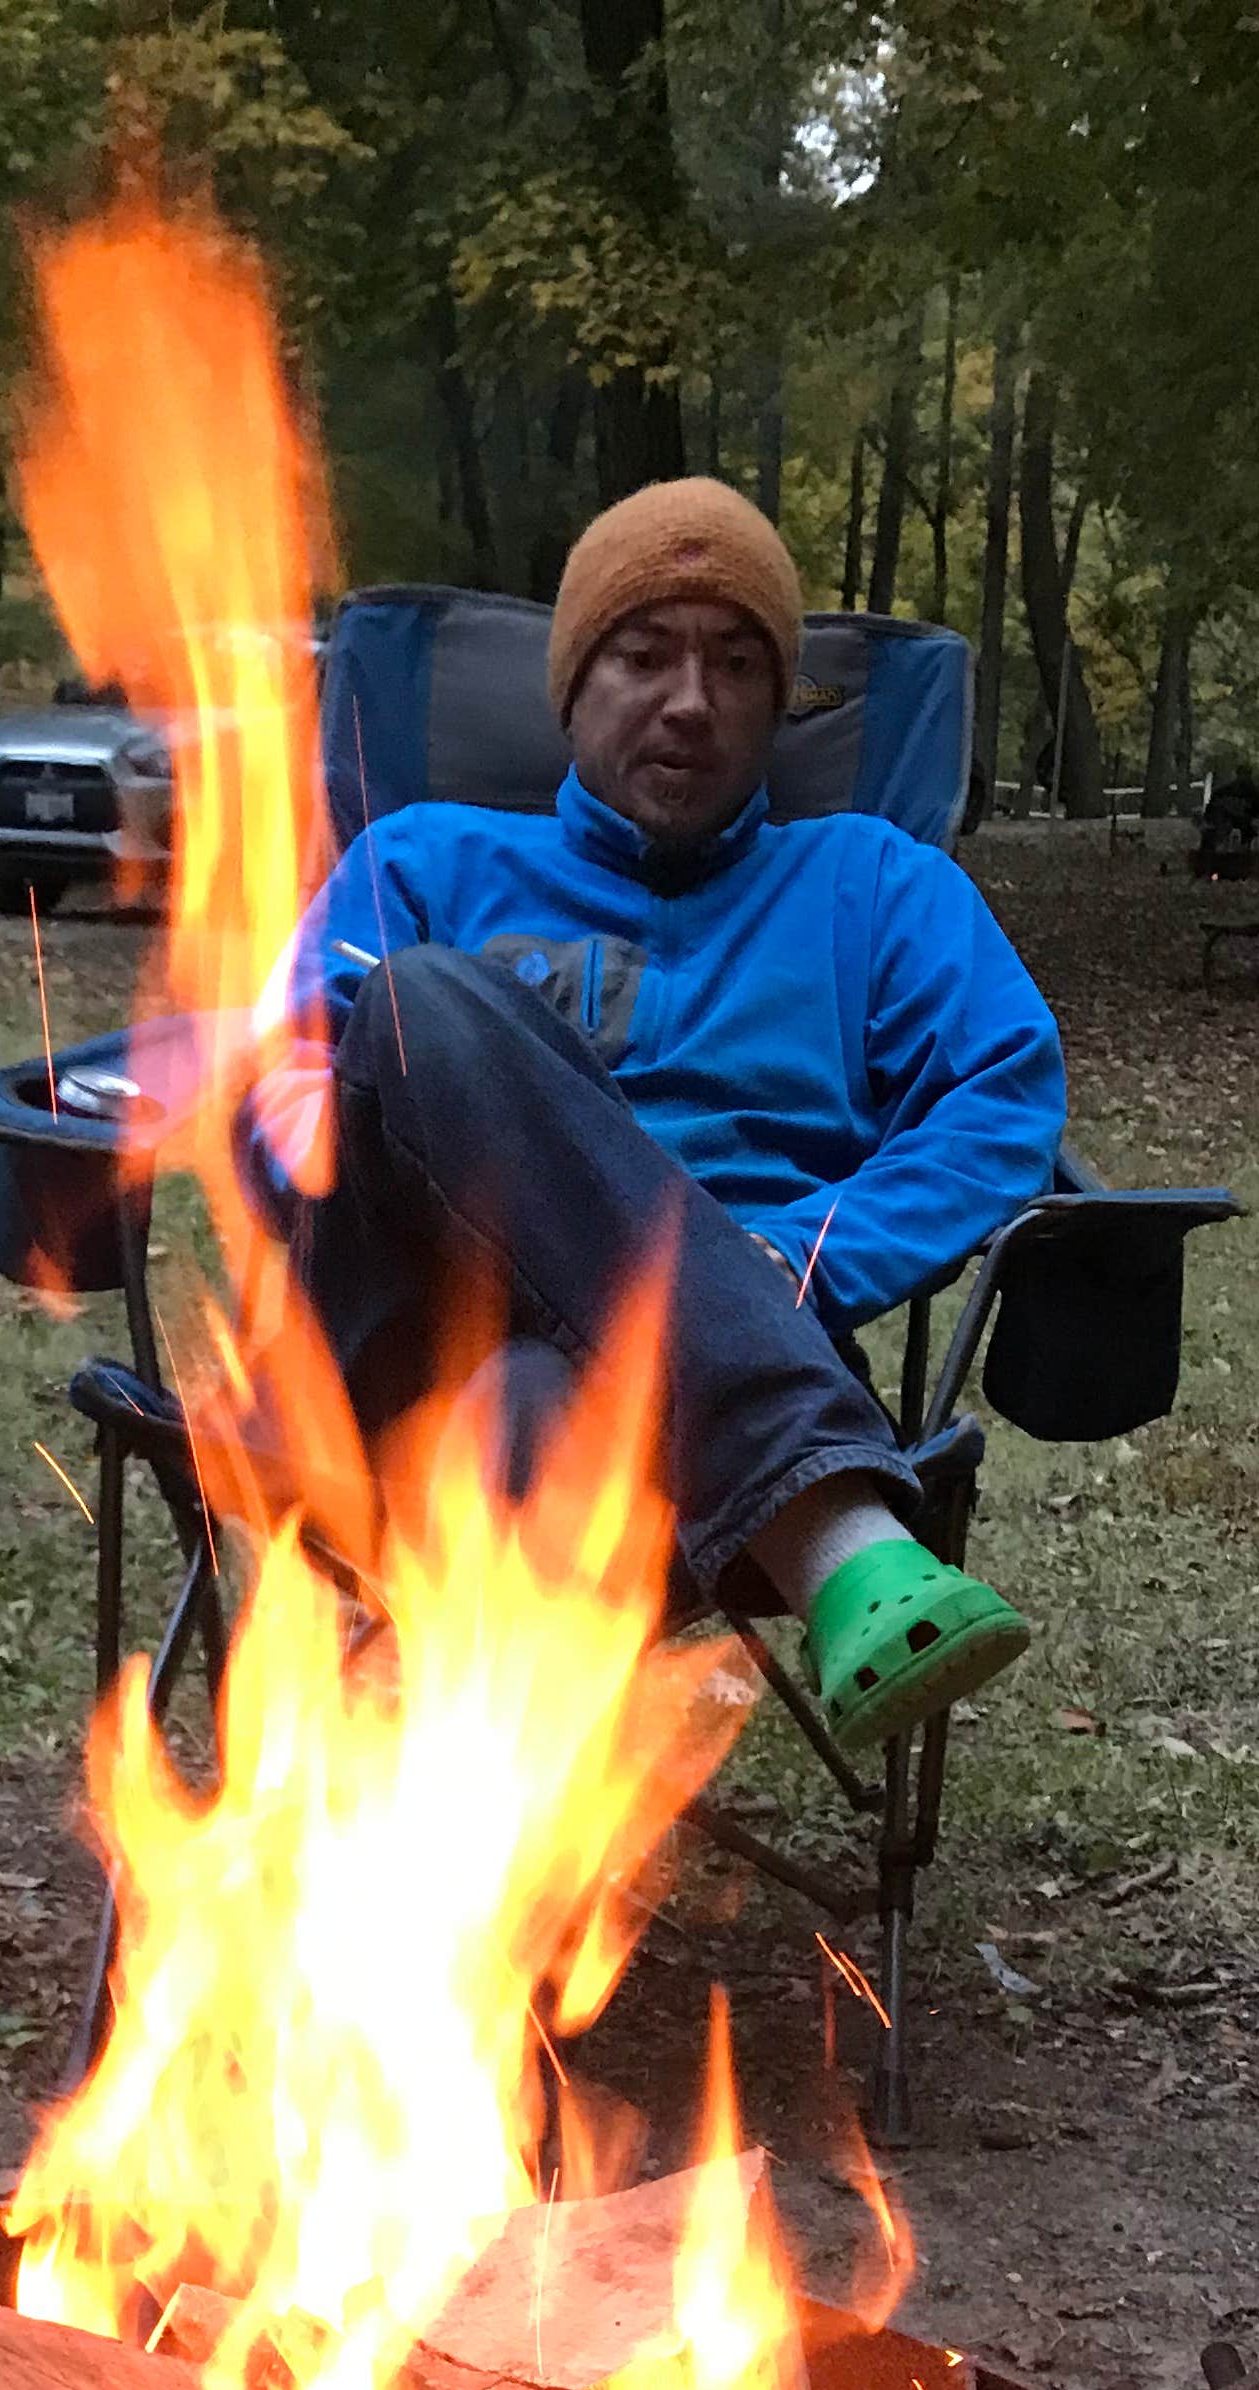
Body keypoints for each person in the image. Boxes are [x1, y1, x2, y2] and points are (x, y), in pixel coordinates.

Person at [242, 478, 1063, 1752]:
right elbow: (283, 1099)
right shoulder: (422, 863)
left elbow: (1002, 1095)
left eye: (739, 665)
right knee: (425, 1008)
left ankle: (457, 1899)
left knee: (534, 1412)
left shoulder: (877, 889)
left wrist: (798, 1254)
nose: (692, 700)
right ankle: (834, 1524)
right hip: (410, 1348)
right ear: (572, 685)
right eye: (644, 655)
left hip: (668, 1392)